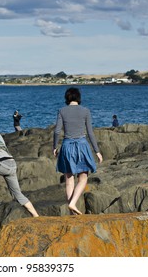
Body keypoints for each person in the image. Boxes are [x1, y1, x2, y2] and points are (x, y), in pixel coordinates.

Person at [53, 87, 103, 215]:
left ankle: (72, 210)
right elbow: (90, 133)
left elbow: (57, 131)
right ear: (78, 97)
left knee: (69, 180)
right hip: (81, 145)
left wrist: (54, 147)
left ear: (67, 98)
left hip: (67, 146)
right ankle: (73, 203)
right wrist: (97, 151)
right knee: (83, 178)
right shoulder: (85, 111)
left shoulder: (62, 111)